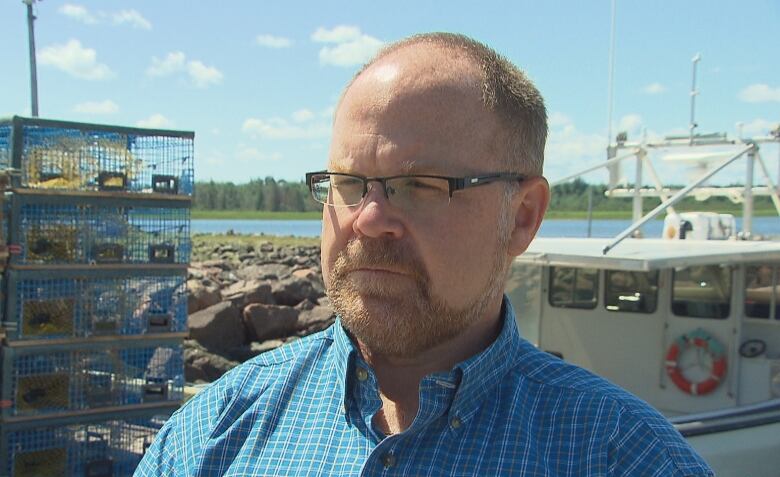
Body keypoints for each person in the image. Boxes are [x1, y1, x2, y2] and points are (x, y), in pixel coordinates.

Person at [136, 33, 713, 476]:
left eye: (421, 185)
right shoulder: (218, 431)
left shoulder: (624, 457)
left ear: (522, 217)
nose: (368, 218)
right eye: (347, 182)